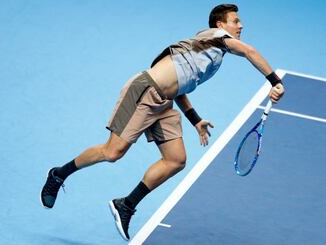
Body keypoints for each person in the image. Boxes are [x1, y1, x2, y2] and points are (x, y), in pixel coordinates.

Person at [40, 3, 285, 241]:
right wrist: (274, 81)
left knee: (176, 160)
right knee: (113, 152)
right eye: (236, 21)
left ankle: (126, 205)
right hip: (145, 92)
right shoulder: (214, 35)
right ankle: (58, 175)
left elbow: (179, 87)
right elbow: (250, 52)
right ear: (221, 24)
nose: (241, 25)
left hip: (164, 102)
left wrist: (195, 120)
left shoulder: (211, 58)